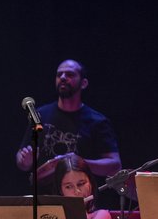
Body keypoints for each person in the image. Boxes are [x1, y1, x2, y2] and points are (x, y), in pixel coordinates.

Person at [15, 59, 121, 187]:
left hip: (80, 199)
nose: (63, 78)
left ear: (84, 83)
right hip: (43, 200)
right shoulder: (40, 115)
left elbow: (115, 166)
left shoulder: (97, 121)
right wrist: (25, 162)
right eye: (59, 75)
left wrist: (78, 162)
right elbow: (22, 159)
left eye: (70, 74)